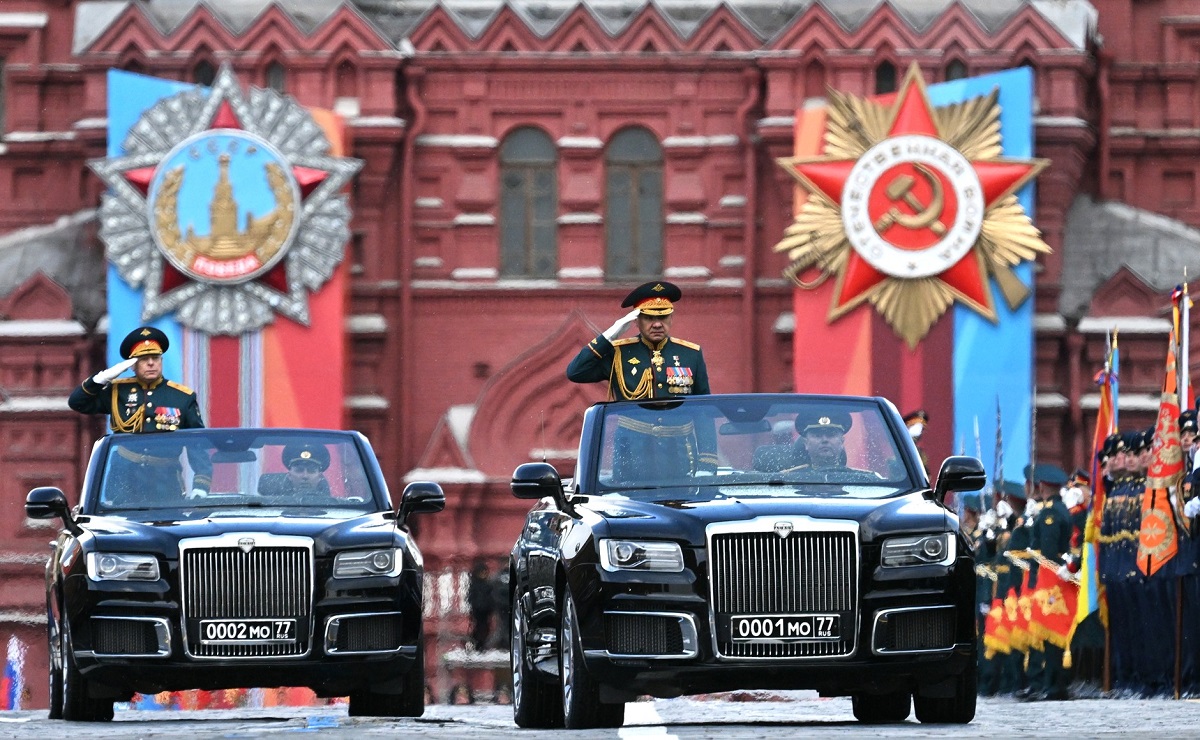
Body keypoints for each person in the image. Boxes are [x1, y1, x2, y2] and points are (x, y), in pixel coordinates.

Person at [70, 326, 210, 500]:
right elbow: (77, 403)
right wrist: (101, 378)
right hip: (124, 481)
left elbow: (197, 444)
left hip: (164, 483)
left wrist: (201, 484)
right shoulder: (117, 392)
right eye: (144, 359)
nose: (151, 363)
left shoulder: (181, 397)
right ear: (133, 365)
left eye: (155, 358)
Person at [567, 280, 710, 400]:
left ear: (671, 318)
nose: (657, 324)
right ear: (636, 321)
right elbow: (576, 372)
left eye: (663, 317)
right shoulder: (618, 353)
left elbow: (703, 407)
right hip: (633, 434)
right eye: (649, 318)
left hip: (678, 434)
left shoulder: (691, 353)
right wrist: (609, 335)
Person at [785, 411, 882, 483]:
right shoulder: (788, 479)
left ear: (841, 442)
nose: (824, 440)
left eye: (831, 435)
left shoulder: (864, 480)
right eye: (817, 435)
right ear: (806, 443)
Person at [258, 443, 333, 498]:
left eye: (311, 471)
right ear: (289, 475)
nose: (305, 476)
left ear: (320, 477)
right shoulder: (272, 506)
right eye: (299, 470)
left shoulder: (334, 508)